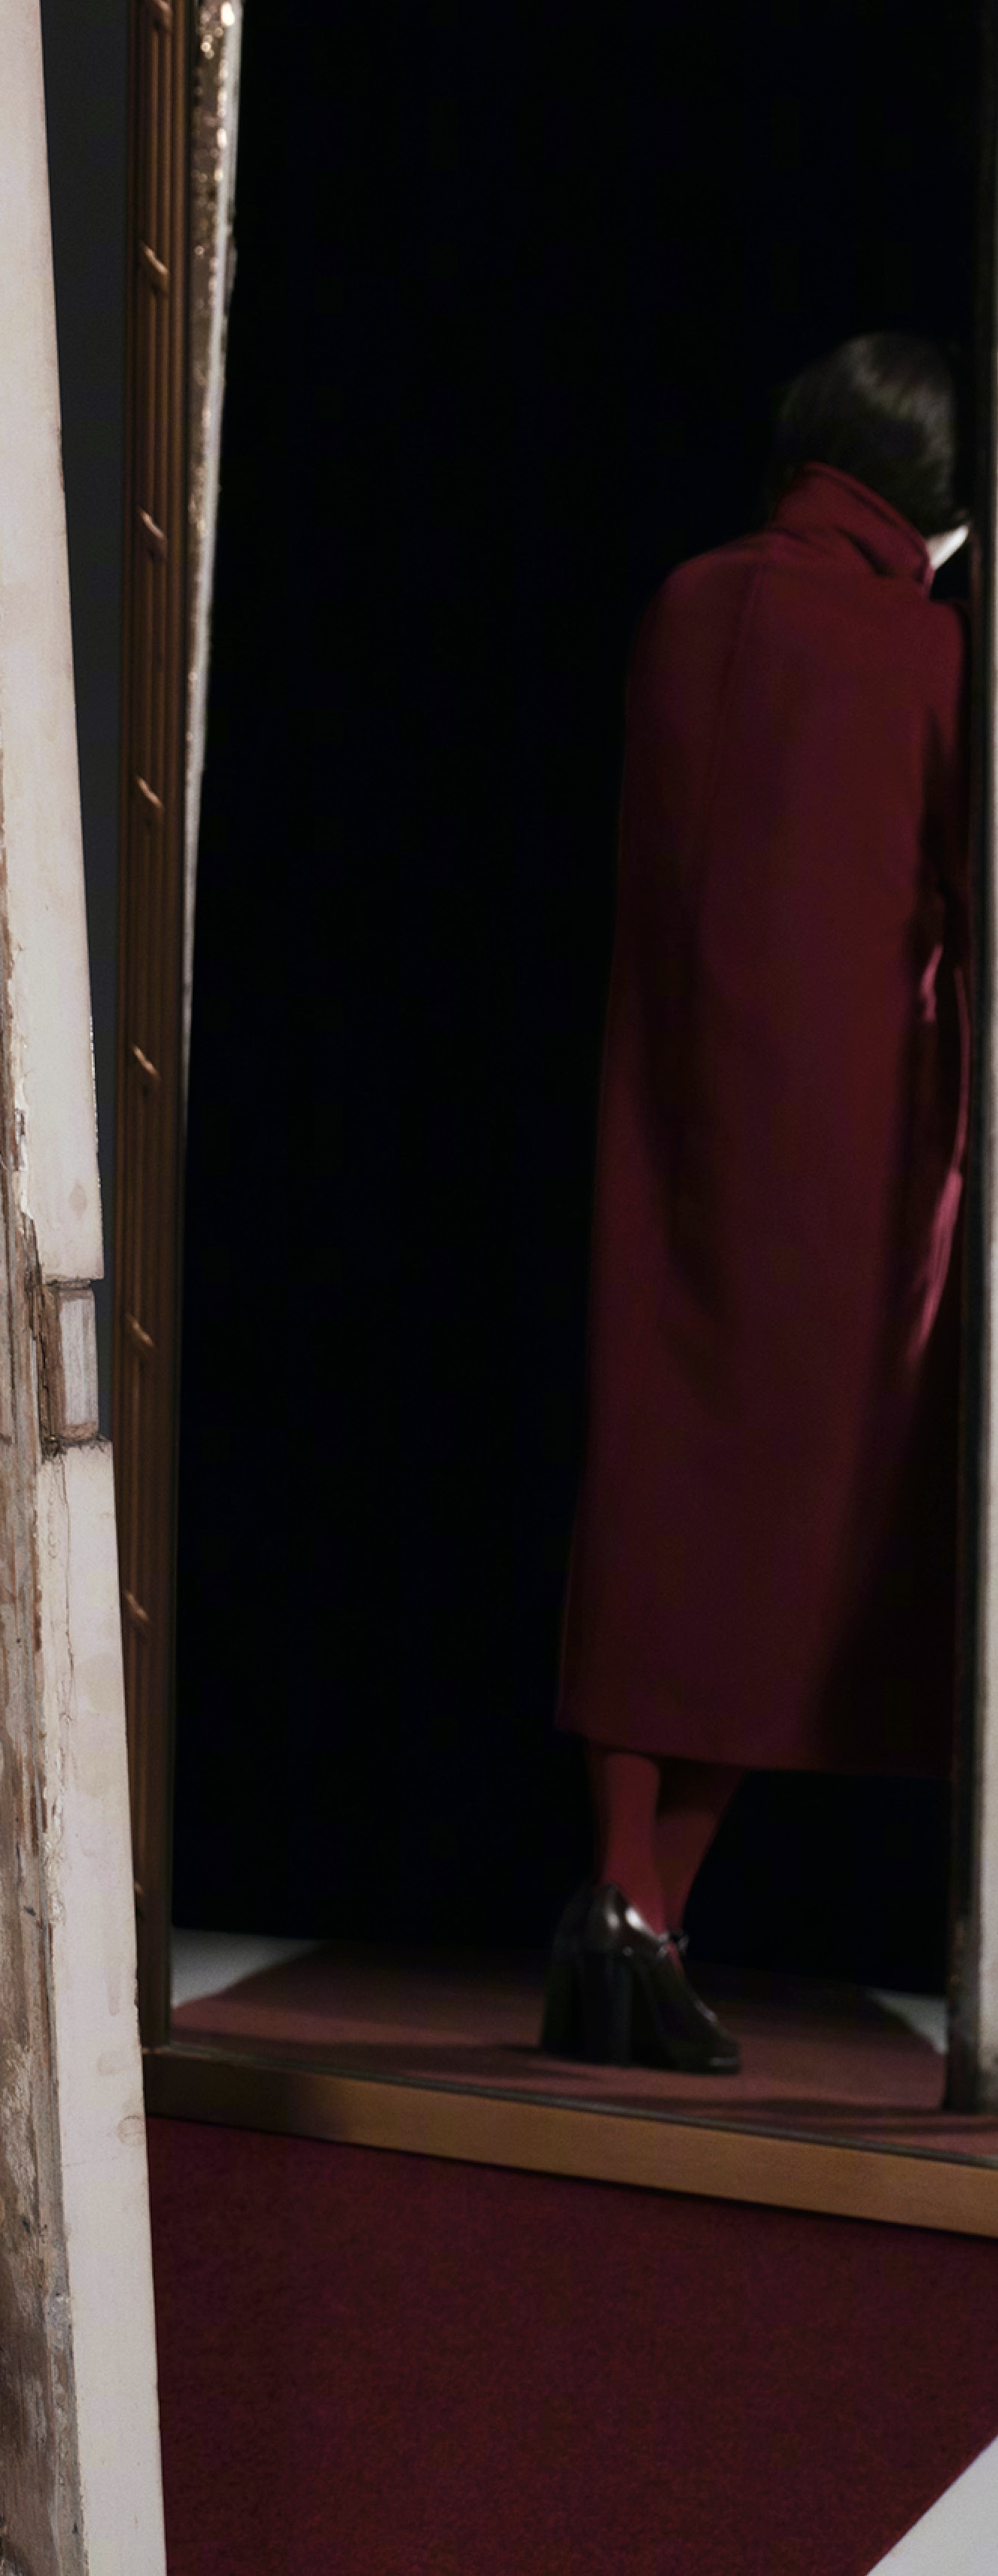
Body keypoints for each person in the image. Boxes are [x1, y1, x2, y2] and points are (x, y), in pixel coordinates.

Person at [546, 330, 972, 2076]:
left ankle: (631, 1900)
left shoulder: (685, 599)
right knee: (794, 1536)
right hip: (842, 1150)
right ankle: (637, 1910)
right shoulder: (927, 647)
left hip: (666, 1107)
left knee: (658, 1491)